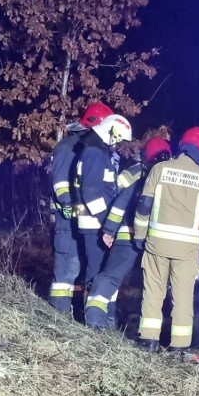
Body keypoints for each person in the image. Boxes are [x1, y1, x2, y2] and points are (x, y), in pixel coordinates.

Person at [133, 127, 199, 352]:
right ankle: (179, 347)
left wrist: (140, 236)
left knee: (153, 293)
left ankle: (148, 342)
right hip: (187, 249)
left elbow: (144, 206)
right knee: (181, 298)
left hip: (156, 245)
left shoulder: (160, 169)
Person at [84, 137, 172, 330]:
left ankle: (97, 318)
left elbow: (119, 202)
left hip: (128, 236)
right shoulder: (173, 182)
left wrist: (108, 229)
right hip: (160, 242)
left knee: (110, 277)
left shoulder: (139, 176)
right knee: (153, 288)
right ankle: (149, 337)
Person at [47, 102, 113, 313]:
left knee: (84, 270)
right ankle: (58, 317)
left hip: (86, 223)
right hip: (68, 220)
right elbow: (60, 183)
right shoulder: (68, 146)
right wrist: (68, 204)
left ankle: (79, 316)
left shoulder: (92, 149)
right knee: (67, 271)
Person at [73, 114, 133, 288]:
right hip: (95, 224)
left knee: (95, 270)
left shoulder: (95, 152)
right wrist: (107, 224)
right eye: (119, 140)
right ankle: (91, 313)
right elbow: (91, 193)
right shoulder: (96, 153)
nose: (118, 145)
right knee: (96, 272)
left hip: (93, 223)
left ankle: (89, 311)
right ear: (112, 132)